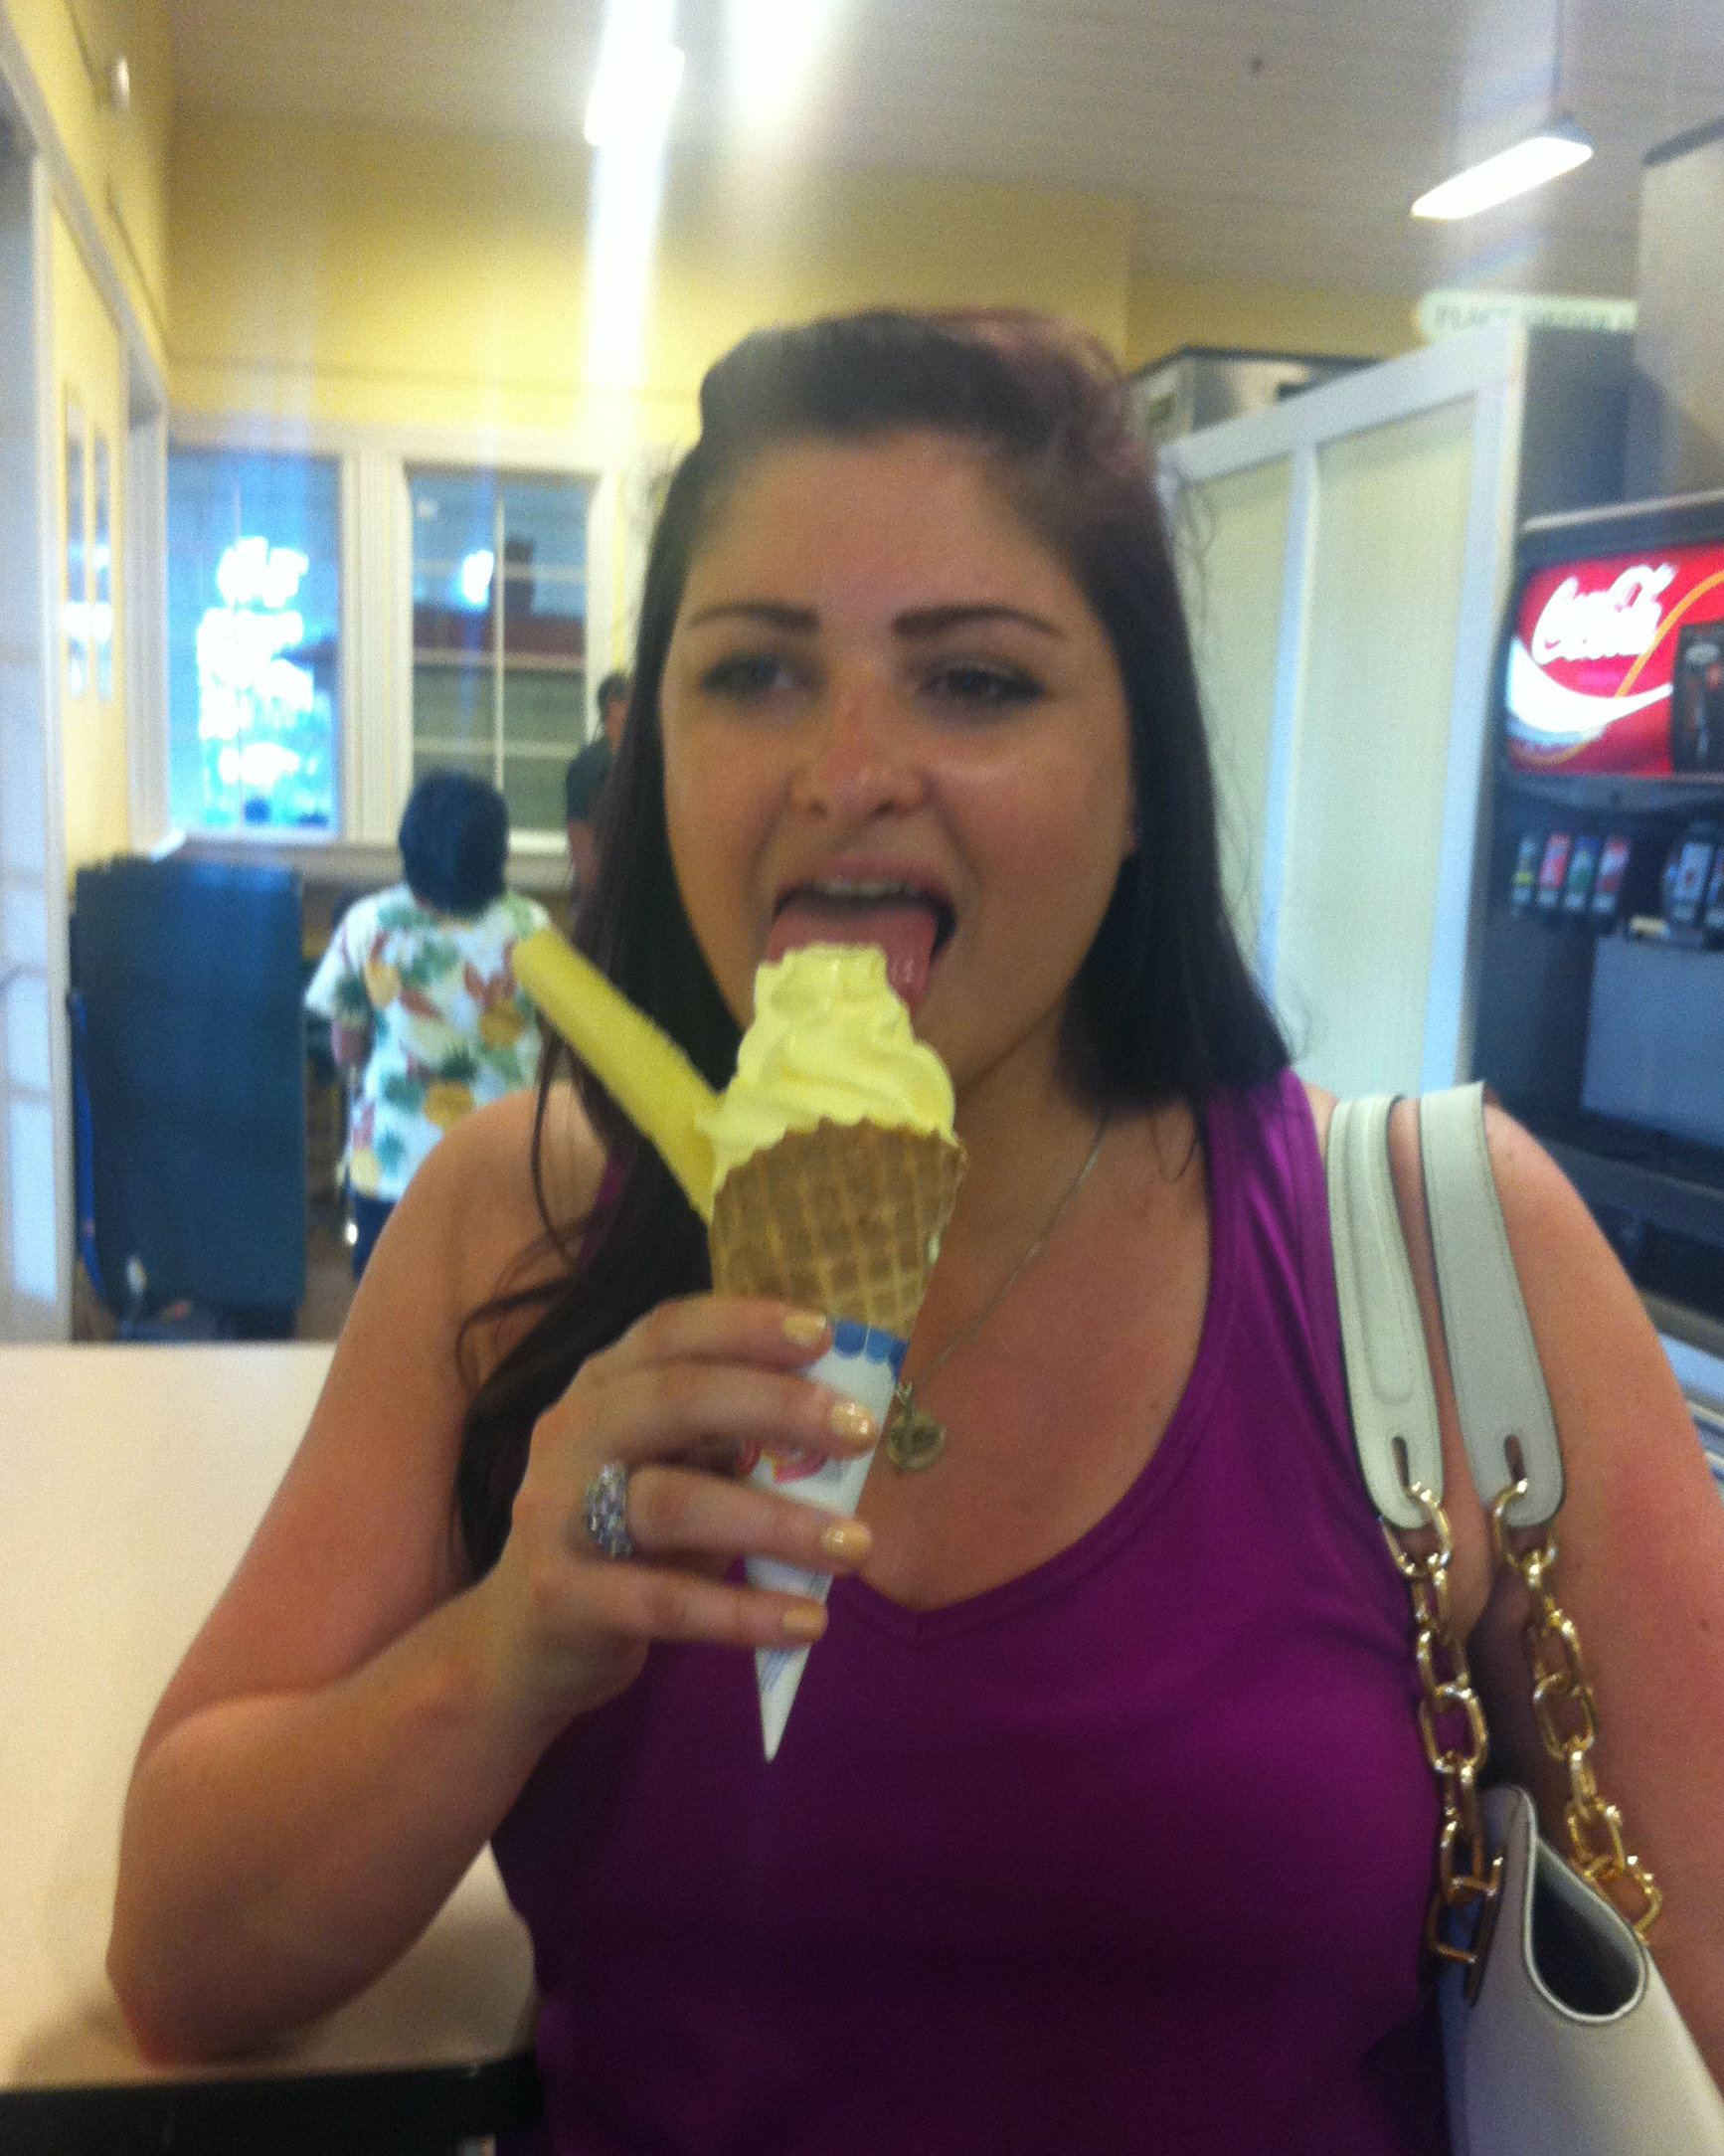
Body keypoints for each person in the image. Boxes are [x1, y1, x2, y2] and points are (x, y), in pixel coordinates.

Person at [109, 312, 1724, 2152]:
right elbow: (181, 1953)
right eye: (752, 673)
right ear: (652, 750)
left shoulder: (1444, 1262)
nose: (845, 769)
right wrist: (506, 1644)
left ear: (1143, 777)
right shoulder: (519, 1217)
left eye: (971, 681)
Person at [303, 770, 550, 1278]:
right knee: (497, 1293)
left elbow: (346, 1049)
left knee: (386, 1298)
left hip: (392, 1162)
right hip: (503, 1160)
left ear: (409, 844)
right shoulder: (532, 927)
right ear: (497, 851)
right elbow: (555, 1034)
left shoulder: (368, 923)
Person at [564, 668, 631, 894]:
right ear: (614, 706)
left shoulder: (640, 762)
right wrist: (597, 896)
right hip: (603, 896)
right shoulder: (589, 764)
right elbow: (581, 835)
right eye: (636, 702)